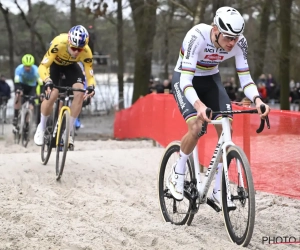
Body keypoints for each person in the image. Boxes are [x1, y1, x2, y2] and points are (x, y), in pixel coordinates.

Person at [169, 7, 270, 205]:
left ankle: (217, 189)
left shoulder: (239, 43)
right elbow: (186, 82)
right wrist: (198, 105)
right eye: (228, 38)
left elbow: (245, 77)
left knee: (227, 130)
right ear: (215, 30)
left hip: (211, 79)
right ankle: (177, 172)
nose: (232, 43)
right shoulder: (196, 36)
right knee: (197, 127)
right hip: (185, 79)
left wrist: (258, 100)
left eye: (236, 38)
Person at [34, 25, 95, 147]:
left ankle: (68, 132)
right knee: (53, 94)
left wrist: (92, 86)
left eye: (80, 49)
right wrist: (47, 80)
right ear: (69, 42)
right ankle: (41, 127)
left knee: (80, 92)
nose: (77, 52)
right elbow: (43, 66)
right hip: (55, 65)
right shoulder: (59, 44)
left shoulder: (87, 52)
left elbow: (89, 73)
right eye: (74, 48)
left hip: (71, 66)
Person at [13, 54, 43, 129]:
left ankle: (26, 123)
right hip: (21, 85)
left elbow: (41, 83)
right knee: (18, 95)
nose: (27, 68)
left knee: (31, 106)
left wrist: (41, 93)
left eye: (29, 66)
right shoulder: (19, 69)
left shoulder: (36, 70)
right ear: (23, 65)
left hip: (31, 87)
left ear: (32, 65)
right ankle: (16, 116)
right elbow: (16, 82)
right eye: (26, 66)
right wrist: (18, 90)